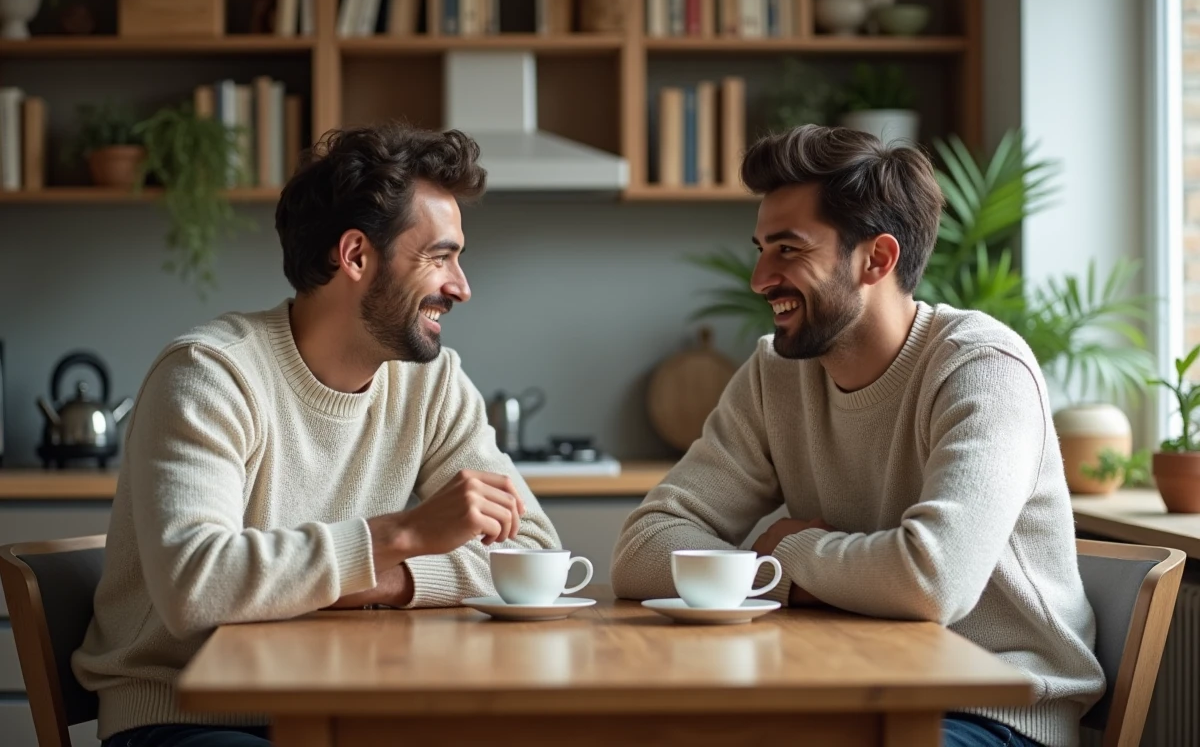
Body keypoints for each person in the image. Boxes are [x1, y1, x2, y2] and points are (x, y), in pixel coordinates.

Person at [610, 125, 1105, 747]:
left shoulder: (981, 368)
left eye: (788, 250)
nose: (760, 277)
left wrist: (789, 553)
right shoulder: (775, 375)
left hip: (993, 715)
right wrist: (780, 571)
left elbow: (932, 580)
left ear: (877, 259)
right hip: (848, 691)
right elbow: (643, 549)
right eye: (762, 248)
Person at [73, 122, 560, 747]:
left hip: (341, 702)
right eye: (440, 257)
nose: (462, 286)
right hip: (183, 714)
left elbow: (536, 551)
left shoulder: (431, 385)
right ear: (355, 255)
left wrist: (382, 578)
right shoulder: (211, 376)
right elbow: (196, 585)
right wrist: (406, 534)